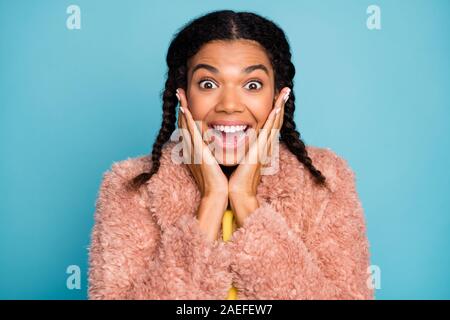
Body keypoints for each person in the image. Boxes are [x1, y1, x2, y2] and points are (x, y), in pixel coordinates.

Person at [88, 10, 374, 300]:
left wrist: (246, 201)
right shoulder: (129, 187)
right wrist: (211, 201)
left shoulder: (325, 179)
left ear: (277, 97)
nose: (229, 105)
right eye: (208, 84)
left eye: (252, 85)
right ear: (182, 94)